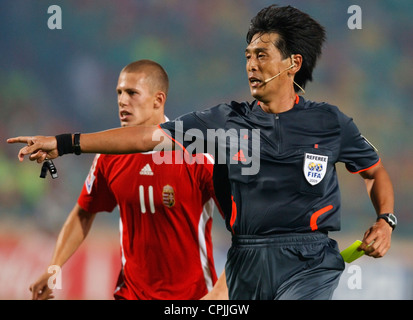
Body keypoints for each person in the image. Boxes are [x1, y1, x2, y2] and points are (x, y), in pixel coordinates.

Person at [9, 5, 395, 300]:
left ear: (292, 63)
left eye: (261, 55)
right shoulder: (222, 123)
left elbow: (374, 173)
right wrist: (64, 144)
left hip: (306, 260)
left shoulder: (330, 122)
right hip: (233, 264)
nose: (251, 65)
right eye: (247, 56)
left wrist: (385, 221)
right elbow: (146, 141)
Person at [27, 59, 227, 300]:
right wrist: (54, 267)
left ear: (158, 100)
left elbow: (245, 231)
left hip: (192, 299)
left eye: (132, 93)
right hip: (130, 295)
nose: (122, 101)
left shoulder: (195, 155)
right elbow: (83, 213)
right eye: (119, 93)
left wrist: (221, 291)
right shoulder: (108, 157)